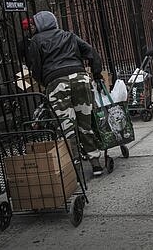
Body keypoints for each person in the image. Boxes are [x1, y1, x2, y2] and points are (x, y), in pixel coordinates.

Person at [27, 11, 105, 176]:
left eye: (34, 24)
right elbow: (91, 51)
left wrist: (45, 82)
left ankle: (75, 169)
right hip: (80, 78)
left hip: (56, 83)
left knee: (66, 127)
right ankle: (95, 163)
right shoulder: (68, 35)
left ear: (40, 24)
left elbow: (36, 67)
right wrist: (97, 74)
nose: (32, 27)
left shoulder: (36, 41)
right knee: (85, 123)